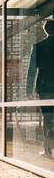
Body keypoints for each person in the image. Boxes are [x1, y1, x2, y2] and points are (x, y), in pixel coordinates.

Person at [26, 19, 54, 157]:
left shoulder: (38, 46)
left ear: (45, 30)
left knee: (48, 118)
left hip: (45, 87)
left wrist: (28, 89)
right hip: (47, 88)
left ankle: (48, 150)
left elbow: (31, 70)